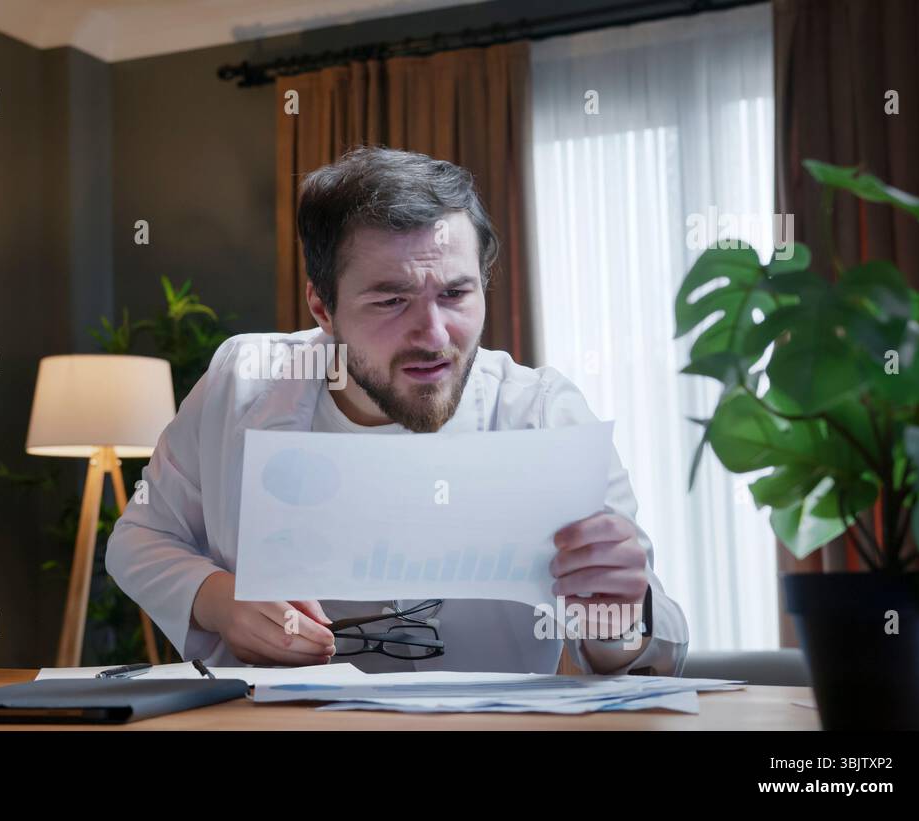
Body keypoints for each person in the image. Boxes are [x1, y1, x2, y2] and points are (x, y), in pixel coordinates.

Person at [107, 146, 688, 675]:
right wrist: (218, 600)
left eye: (456, 294)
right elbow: (139, 537)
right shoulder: (243, 381)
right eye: (391, 300)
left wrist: (619, 618)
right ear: (321, 305)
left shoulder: (542, 413)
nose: (433, 336)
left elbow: (651, 652)